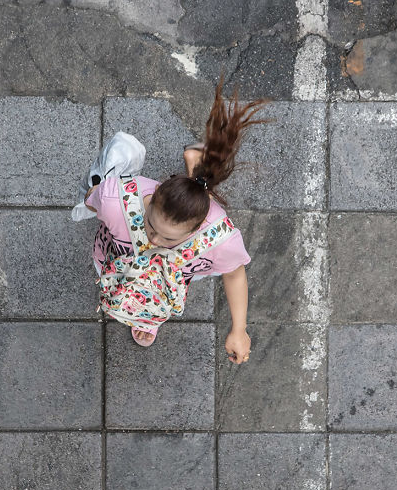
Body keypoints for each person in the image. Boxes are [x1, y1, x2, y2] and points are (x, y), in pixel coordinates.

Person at [83, 80, 271, 365]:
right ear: (155, 194)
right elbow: (93, 197)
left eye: (169, 239)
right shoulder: (115, 200)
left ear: (198, 228)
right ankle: (195, 162)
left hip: (160, 277)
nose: (154, 242)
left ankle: (146, 317)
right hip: (117, 259)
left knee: (153, 295)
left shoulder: (220, 239)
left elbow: (234, 274)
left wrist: (239, 328)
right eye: (151, 226)